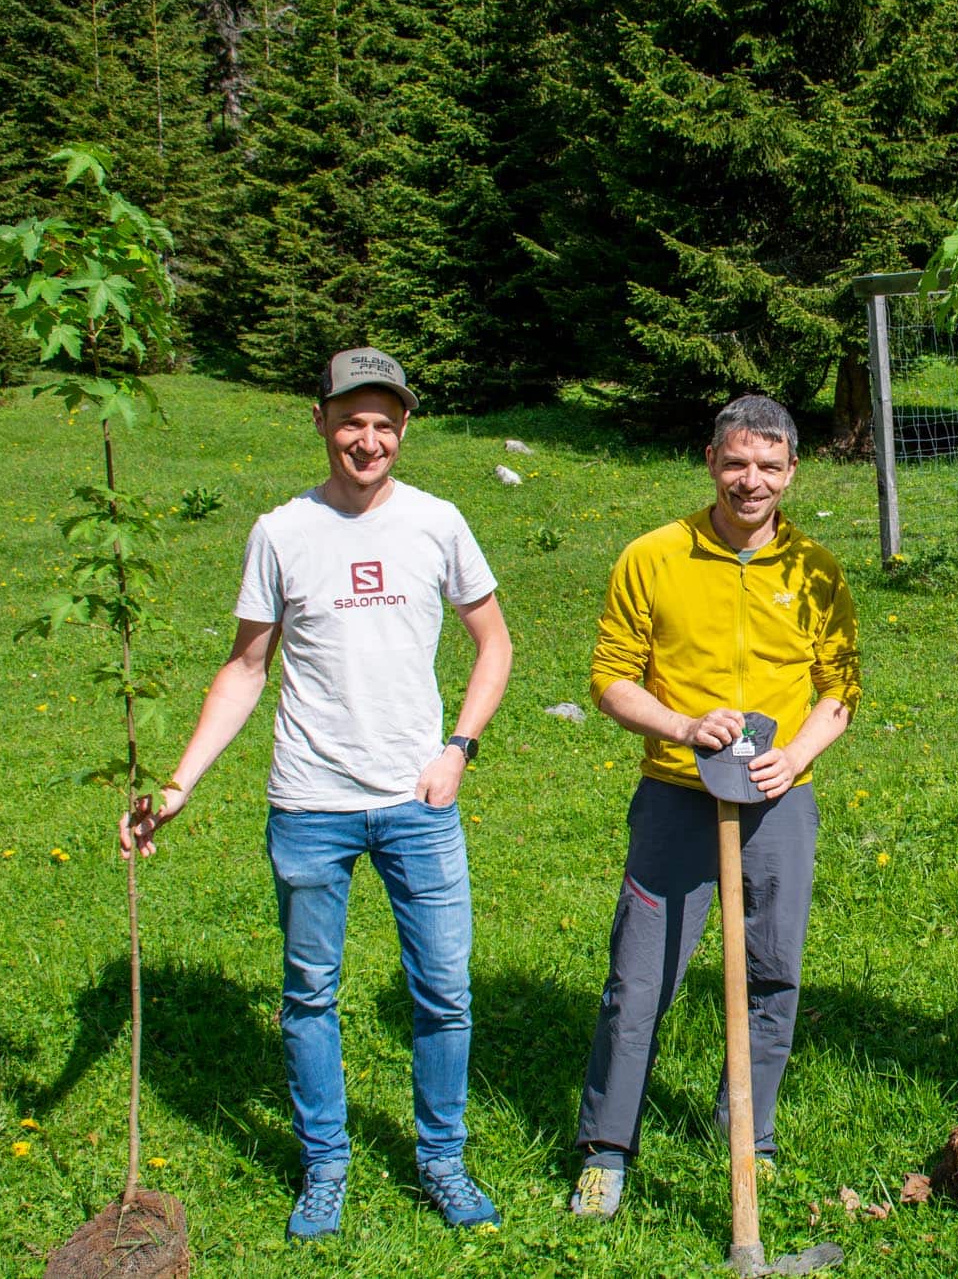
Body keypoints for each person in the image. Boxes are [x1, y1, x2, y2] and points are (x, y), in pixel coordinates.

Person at [119, 347, 513, 1239]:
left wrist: (459, 747)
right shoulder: (280, 531)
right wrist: (179, 783)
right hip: (310, 803)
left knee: (445, 989)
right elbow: (246, 667)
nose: (366, 439)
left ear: (403, 428)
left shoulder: (438, 523)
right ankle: (326, 1163)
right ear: (321, 420)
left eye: (383, 422)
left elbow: (495, 643)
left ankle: (441, 1157)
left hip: (420, 802)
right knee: (308, 993)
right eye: (351, 419)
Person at [569, 395, 861, 1220]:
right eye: (736, 462)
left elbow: (841, 689)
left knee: (773, 972)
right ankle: (607, 1148)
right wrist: (684, 725)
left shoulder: (816, 571)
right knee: (640, 978)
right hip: (676, 794)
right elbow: (611, 678)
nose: (752, 481)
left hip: (779, 804)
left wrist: (794, 757)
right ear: (710, 460)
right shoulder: (653, 557)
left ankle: (751, 1133)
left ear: (793, 471)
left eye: (769, 466)